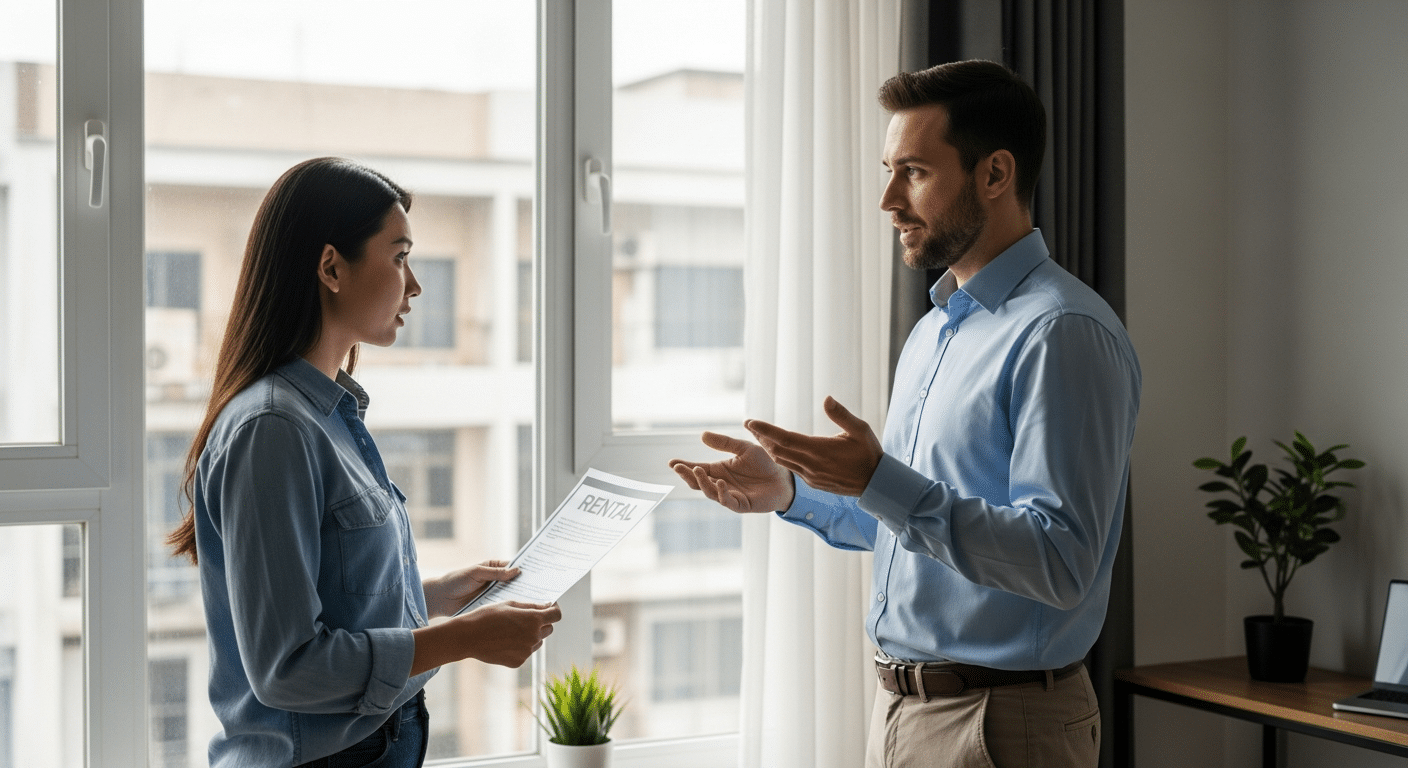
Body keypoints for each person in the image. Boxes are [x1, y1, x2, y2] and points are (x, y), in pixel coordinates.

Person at [669, 60, 1140, 768]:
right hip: (902, 712)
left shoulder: (1062, 333)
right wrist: (796, 493)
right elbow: (922, 528)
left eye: (913, 171)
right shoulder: (935, 331)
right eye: (888, 169)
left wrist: (880, 481)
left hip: (1001, 723)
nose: (887, 198)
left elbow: (1060, 560)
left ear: (995, 174)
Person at [166, 157, 562, 768]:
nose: (416, 285)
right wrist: (462, 640)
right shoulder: (272, 429)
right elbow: (288, 670)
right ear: (331, 266)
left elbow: (335, 601)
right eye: (400, 256)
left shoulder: (328, 415)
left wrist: (434, 596)